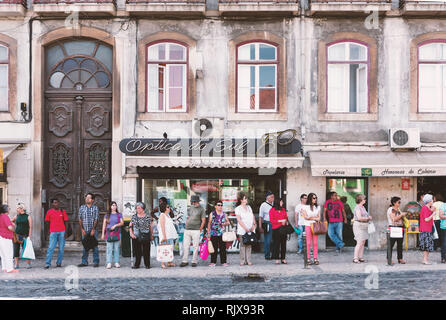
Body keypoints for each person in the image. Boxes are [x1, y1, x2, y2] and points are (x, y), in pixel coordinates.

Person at [180, 195, 206, 267]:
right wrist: (186, 224)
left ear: (198, 201)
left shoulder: (202, 209)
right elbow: (189, 217)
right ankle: (184, 261)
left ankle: (194, 261)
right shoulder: (191, 208)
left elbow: (203, 221)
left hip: (196, 230)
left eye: (194, 202)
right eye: (192, 202)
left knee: (195, 246)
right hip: (187, 229)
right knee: (186, 246)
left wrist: (200, 229)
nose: (193, 203)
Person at [44, 198, 68, 269]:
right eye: (54, 203)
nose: (56, 204)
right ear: (52, 204)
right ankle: (47, 263)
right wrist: (48, 232)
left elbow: (66, 221)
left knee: (61, 248)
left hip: (62, 232)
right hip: (53, 232)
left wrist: (65, 232)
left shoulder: (62, 211)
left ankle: (59, 263)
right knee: (51, 248)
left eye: (57, 202)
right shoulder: (49, 212)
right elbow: (47, 222)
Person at [78, 193, 100, 267]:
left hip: (93, 230)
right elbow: (80, 219)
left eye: (89, 198)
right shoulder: (82, 208)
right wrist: (82, 229)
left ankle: (96, 262)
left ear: (92, 200)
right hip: (85, 229)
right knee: (85, 246)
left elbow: (96, 219)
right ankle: (84, 262)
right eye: (86, 197)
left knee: (95, 246)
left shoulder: (95, 208)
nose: (87, 199)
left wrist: (93, 229)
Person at [129, 202, 153, 269]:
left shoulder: (147, 216)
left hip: (146, 235)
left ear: (143, 209)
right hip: (136, 236)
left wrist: (151, 235)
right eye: (136, 208)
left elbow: (150, 226)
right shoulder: (134, 216)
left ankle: (147, 264)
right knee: (137, 251)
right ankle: (137, 264)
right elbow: (130, 226)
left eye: (139, 208)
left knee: (146, 251)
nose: (137, 209)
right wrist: (131, 233)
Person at [207, 200, 230, 267]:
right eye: (218, 205)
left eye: (221, 205)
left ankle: (224, 262)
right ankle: (213, 262)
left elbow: (228, 222)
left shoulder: (224, 214)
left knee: (223, 248)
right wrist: (208, 232)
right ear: (215, 206)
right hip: (213, 233)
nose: (220, 206)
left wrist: (224, 223)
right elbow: (209, 223)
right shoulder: (212, 214)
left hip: (222, 234)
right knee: (214, 248)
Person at [101, 201, 124, 269]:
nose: (114, 207)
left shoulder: (119, 214)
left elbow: (122, 223)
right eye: (113, 205)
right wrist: (102, 234)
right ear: (110, 207)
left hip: (117, 233)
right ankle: (109, 262)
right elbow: (104, 225)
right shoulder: (107, 215)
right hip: (109, 233)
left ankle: (116, 262)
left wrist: (115, 225)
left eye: (115, 205)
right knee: (109, 248)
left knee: (117, 248)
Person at [236, 193, 256, 266]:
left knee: (249, 245)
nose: (246, 200)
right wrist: (245, 228)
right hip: (242, 230)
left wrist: (253, 225)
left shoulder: (249, 207)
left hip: (251, 229)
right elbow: (239, 220)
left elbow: (253, 216)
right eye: (245, 198)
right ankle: (242, 260)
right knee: (243, 245)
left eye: (246, 198)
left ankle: (249, 260)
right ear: (241, 200)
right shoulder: (238, 208)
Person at [387, 197, 407, 264]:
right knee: (391, 244)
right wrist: (401, 215)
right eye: (399, 202)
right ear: (394, 203)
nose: (400, 204)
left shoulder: (398, 209)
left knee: (400, 244)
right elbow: (394, 219)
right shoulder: (391, 209)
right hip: (393, 228)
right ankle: (389, 259)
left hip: (400, 227)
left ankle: (400, 258)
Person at [11, 203, 32, 269]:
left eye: (18, 208)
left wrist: (29, 236)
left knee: (26, 249)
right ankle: (16, 264)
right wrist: (13, 225)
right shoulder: (16, 216)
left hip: (25, 236)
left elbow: (30, 227)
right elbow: (10, 221)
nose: (17, 209)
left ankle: (28, 264)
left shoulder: (28, 216)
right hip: (17, 235)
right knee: (16, 249)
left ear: (22, 209)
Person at [302, 193, 321, 265]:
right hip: (307, 225)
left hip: (315, 225)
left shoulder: (318, 207)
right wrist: (314, 218)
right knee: (308, 243)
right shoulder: (305, 207)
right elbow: (305, 217)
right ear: (310, 199)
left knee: (315, 243)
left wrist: (310, 218)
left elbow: (319, 218)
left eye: (316, 198)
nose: (315, 199)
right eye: (313, 198)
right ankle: (308, 258)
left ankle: (315, 258)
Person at [158, 202, 178, 269]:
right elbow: (162, 226)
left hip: (170, 234)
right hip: (165, 235)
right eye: (168, 207)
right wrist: (164, 236)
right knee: (164, 249)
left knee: (170, 248)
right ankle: (163, 263)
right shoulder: (162, 215)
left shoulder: (168, 215)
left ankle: (169, 262)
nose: (169, 208)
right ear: (164, 208)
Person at [352, 194, 372, 264]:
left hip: (364, 225)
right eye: (364, 199)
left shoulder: (363, 207)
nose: (365, 200)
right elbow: (359, 217)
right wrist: (368, 218)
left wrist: (368, 216)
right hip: (358, 225)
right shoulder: (357, 207)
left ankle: (360, 257)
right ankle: (355, 258)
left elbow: (365, 215)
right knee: (359, 242)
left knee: (363, 242)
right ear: (360, 200)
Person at [269, 198, 288, 265]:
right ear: (277, 202)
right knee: (276, 244)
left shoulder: (283, 210)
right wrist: (280, 221)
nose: (282, 203)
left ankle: (283, 258)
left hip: (283, 228)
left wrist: (285, 221)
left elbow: (286, 218)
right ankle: (276, 258)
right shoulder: (272, 210)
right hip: (276, 229)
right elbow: (271, 220)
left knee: (283, 244)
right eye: (281, 202)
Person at [0, 204, 18, 273]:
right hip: (6, 237)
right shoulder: (5, 217)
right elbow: (9, 227)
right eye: (9, 208)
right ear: (6, 210)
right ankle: (10, 268)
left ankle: (4, 268)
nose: (9, 210)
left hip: (1, 236)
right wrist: (14, 229)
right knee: (9, 253)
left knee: (3, 253)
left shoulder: (1, 216)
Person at [419, 194, 435, 265]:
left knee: (428, 245)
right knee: (426, 245)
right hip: (425, 229)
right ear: (429, 201)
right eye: (432, 199)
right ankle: (425, 260)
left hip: (428, 228)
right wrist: (433, 214)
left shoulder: (427, 208)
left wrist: (432, 211)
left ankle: (425, 259)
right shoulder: (425, 208)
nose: (433, 200)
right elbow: (426, 219)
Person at [259, 191, 274, 260]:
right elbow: (260, 217)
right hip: (267, 223)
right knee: (267, 240)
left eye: (273, 197)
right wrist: (260, 226)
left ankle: (274, 254)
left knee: (274, 240)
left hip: (275, 223)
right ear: (267, 198)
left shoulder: (274, 204)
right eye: (271, 197)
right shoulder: (263, 205)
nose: (273, 198)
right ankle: (267, 255)